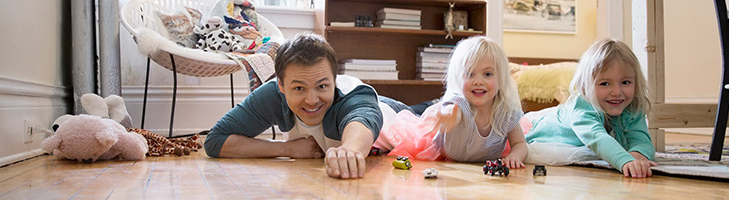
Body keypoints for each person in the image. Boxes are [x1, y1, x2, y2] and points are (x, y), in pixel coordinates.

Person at [203, 32, 383, 179]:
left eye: (322, 86)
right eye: (299, 88)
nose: (312, 100)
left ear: (334, 81)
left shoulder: (355, 94)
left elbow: (363, 118)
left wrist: (350, 151)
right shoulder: (272, 94)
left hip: (401, 116)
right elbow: (216, 140)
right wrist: (287, 148)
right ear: (280, 84)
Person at [373, 36, 528, 168]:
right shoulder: (458, 103)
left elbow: (520, 144)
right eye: (469, 74)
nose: (478, 81)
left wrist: (515, 156)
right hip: (436, 140)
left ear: (501, 80)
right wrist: (446, 116)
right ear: (458, 77)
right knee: (394, 110)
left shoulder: (505, 113)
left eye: (487, 74)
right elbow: (451, 110)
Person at [524, 39, 657, 178]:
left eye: (625, 82)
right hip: (544, 133)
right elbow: (596, 137)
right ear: (585, 86)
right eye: (605, 83)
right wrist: (624, 160)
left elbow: (641, 139)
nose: (617, 92)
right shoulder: (582, 105)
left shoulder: (631, 105)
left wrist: (637, 154)